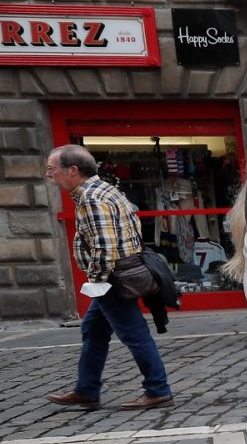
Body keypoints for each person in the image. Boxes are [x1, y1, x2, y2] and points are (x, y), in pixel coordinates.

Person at [43, 144, 174, 411]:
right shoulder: (104, 189)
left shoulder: (91, 197)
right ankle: (87, 389)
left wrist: (96, 281)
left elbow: (105, 245)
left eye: (51, 169)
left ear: (72, 170)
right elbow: (133, 227)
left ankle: (158, 389)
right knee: (93, 329)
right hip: (116, 275)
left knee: (134, 334)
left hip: (111, 278)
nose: (49, 175)